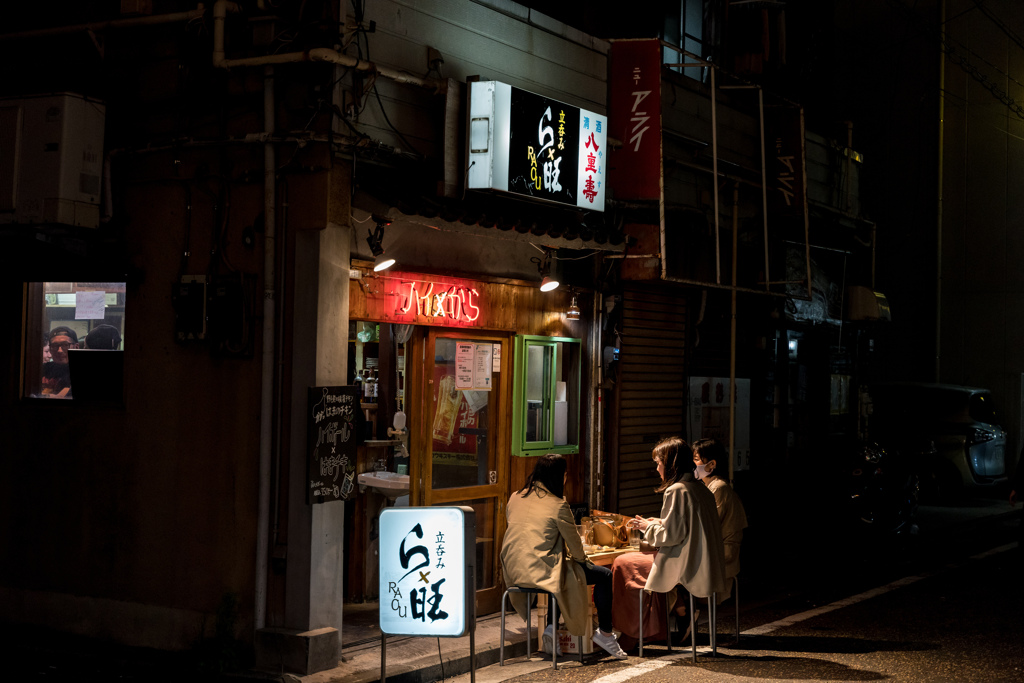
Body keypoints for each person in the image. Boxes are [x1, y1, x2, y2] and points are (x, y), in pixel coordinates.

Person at [500, 453, 627, 660]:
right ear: (561, 476)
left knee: (562, 570)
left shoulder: (515, 497)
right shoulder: (558, 505)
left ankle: (551, 627)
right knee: (600, 575)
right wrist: (584, 561)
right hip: (541, 572)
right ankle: (605, 633)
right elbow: (576, 547)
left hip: (513, 569)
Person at [616, 436, 728, 645]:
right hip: (705, 561)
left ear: (669, 464)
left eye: (658, 463)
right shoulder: (699, 488)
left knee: (623, 563)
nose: (657, 468)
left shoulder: (676, 490)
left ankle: (633, 633)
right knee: (635, 563)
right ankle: (678, 611)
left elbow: (671, 536)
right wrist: (656, 522)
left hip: (687, 563)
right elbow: (687, 525)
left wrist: (645, 527)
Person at [692, 438, 748, 599]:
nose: (693, 464)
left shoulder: (718, 488)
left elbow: (706, 523)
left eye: (696, 460)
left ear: (711, 464)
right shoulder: (707, 486)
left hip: (720, 552)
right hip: (712, 547)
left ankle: (684, 612)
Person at [41, 326, 78, 397]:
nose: (59, 350)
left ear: (76, 347)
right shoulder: (42, 369)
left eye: (65, 345)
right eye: (55, 346)